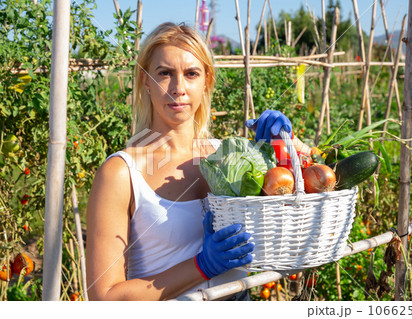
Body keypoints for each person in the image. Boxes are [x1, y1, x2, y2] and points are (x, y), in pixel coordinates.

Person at [85, 22, 295, 301]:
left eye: (191, 74)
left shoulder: (230, 157)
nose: (178, 88)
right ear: (145, 81)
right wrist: (202, 266)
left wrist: (281, 155)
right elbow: (105, 298)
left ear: (206, 81)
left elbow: (285, 220)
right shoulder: (121, 173)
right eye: (164, 74)